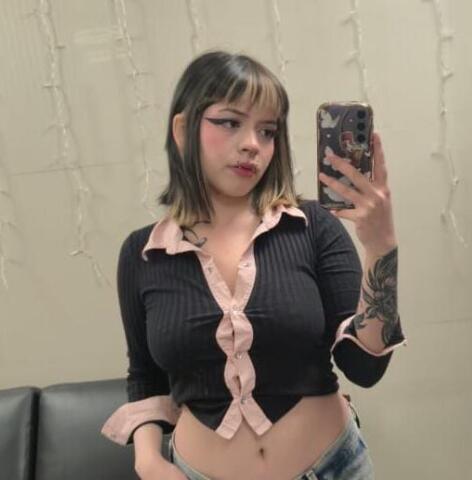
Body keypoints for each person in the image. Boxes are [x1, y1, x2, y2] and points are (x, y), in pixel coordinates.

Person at [101, 50, 406, 480]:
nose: (252, 144)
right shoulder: (144, 253)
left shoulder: (312, 227)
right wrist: (148, 461)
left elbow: (365, 367)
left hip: (332, 468)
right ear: (183, 130)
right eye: (230, 122)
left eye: (267, 131)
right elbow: (146, 376)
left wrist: (380, 247)